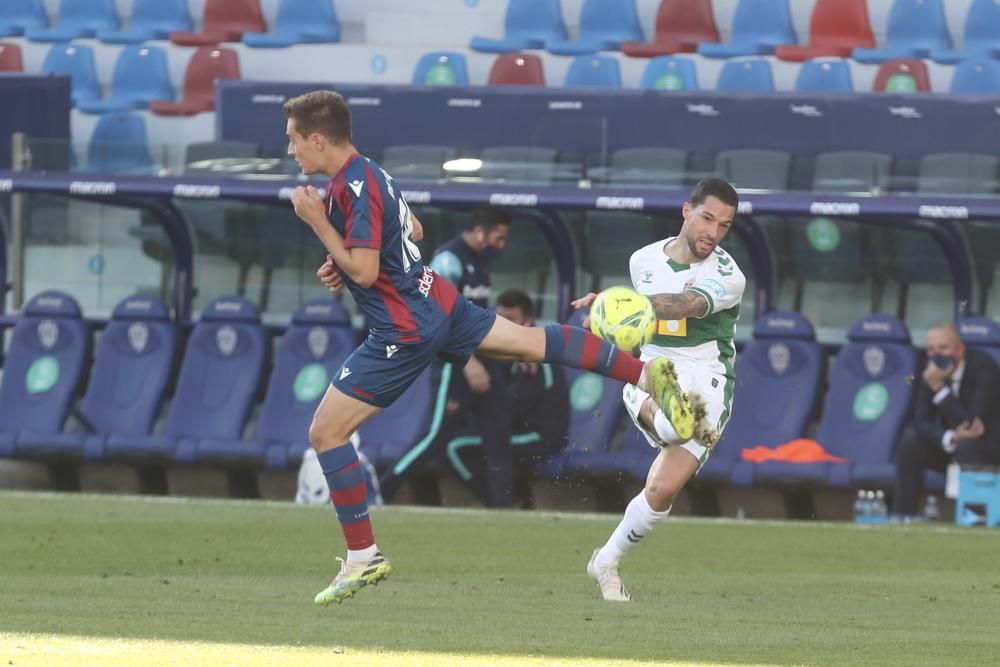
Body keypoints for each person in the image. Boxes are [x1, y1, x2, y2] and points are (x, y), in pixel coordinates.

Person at [284, 89, 692, 606]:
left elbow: (366, 267)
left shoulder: (347, 189)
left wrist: (319, 224)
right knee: (529, 342)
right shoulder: (369, 171)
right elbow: (411, 228)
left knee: (326, 432)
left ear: (319, 139)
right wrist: (342, 258)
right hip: (437, 297)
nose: (291, 150)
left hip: (404, 327)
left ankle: (363, 555)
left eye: (294, 140)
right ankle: (642, 373)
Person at [571, 178, 744, 602]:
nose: (713, 232)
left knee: (662, 490)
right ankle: (655, 399)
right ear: (686, 211)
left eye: (724, 225)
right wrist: (608, 314)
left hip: (707, 375)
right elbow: (636, 322)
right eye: (707, 218)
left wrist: (617, 305)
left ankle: (605, 562)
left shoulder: (729, 274)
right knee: (674, 420)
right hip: (651, 365)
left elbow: (687, 305)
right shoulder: (643, 259)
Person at [378, 288, 570, 508]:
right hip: (519, 431)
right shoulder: (503, 351)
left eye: (511, 319)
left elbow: (519, 406)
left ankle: (500, 503)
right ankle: (501, 503)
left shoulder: (538, 354)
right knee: (462, 442)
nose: (505, 324)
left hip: (541, 435)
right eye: (501, 318)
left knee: (460, 445)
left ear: (528, 322)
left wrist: (488, 409)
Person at [382, 208, 515, 507]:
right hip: (455, 364)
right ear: (481, 232)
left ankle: (503, 507)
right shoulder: (449, 260)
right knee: (434, 438)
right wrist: (468, 362)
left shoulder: (481, 263)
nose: (502, 245)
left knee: (497, 435)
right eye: (499, 237)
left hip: (483, 361)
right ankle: (383, 490)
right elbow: (438, 316)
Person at [893, 324, 1000, 518]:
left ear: (960, 349)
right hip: (955, 447)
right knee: (911, 441)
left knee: (969, 444)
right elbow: (920, 420)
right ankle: (903, 516)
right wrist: (949, 437)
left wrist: (939, 388)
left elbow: (973, 424)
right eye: (931, 349)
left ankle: (975, 517)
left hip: (990, 450)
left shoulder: (985, 367)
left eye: (943, 348)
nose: (937, 354)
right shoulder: (931, 371)